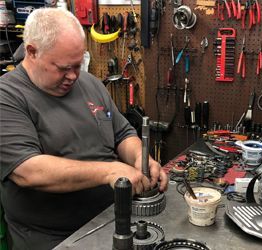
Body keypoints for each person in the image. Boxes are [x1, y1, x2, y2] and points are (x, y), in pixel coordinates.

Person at [0, 8, 168, 250]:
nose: (73, 75)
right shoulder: (8, 96)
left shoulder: (88, 82)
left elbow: (122, 133)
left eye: (78, 65)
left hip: (112, 218)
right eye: (63, 68)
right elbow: (28, 170)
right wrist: (109, 172)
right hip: (52, 238)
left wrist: (141, 157)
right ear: (32, 52)